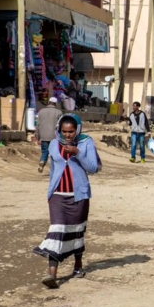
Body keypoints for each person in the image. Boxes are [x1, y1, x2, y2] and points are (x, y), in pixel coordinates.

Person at [33, 113, 100, 289]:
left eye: (70, 132)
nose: (67, 135)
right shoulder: (54, 144)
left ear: (77, 130)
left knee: (77, 231)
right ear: (59, 130)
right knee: (57, 230)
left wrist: (78, 153)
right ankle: (51, 274)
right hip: (57, 196)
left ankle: (78, 266)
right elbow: (54, 169)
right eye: (64, 131)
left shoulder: (86, 143)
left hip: (79, 195)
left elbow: (93, 168)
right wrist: (50, 193)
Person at [36, 97, 63, 173]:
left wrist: (38, 137)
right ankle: (54, 169)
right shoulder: (59, 112)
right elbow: (60, 126)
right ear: (55, 104)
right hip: (54, 137)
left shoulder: (41, 111)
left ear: (48, 102)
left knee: (45, 151)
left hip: (43, 136)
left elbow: (37, 125)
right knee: (54, 153)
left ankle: (42, 161)